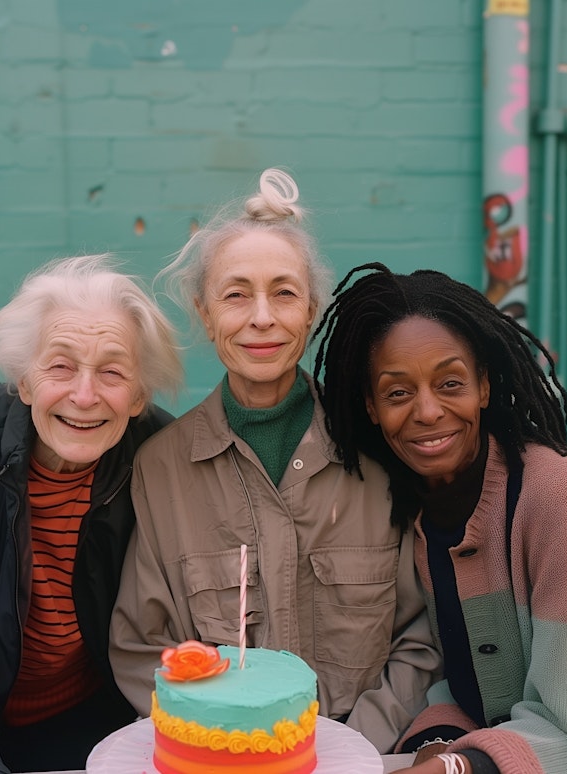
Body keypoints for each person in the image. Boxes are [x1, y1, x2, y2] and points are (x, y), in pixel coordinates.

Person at [109, 169, 441, 754]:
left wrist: (342, 751)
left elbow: (419, 638)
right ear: (205, 312)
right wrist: (232, 744)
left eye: (284, 293)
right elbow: (142, 648)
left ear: (311, 309)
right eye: (236, 294)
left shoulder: (378, 454)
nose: (261, 318)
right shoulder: (160, 466)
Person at [313, 261, 567, 774]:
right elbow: (464, 685)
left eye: (450, 383)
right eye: (397, 392)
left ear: (484, 387)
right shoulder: (404, 512)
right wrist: (436, 745)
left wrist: (457, 767)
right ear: (371, 406)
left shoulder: (557, 498)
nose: (428, 411)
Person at [0, 254, 182, 774]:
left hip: (91, 717)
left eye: (112, 371)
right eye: (60, 366)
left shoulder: (163, 460)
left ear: (138, 395)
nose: (85, 395)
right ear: (24, 383)